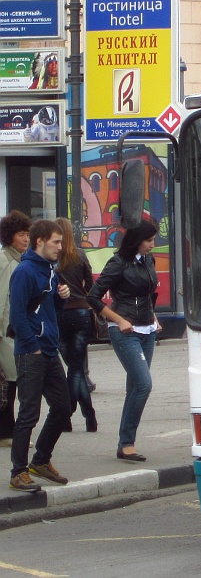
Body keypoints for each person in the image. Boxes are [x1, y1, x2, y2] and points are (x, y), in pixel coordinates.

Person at [87, 220, 161, 462]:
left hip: (147, 329)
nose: (153, 245)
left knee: (135, 387)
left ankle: (125, 443)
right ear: (136, 241)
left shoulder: (149, 260)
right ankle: (126, 443)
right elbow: (93, 297)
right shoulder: (118, 263)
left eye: (154, 240)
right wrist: (118, 320)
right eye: (149, 241)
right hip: (125, 330)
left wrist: (154, 317)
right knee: (143, 384)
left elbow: (149, 295)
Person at [8, 219, 72, 492]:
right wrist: (31, 344)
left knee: (63, 408)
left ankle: (41, 460)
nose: (60, 247)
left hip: (49, 349)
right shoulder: (24, 271)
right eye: (56, 242)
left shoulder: (50, 270)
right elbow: (18, 314)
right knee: (29, 413)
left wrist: (62, 297)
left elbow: (50, 310)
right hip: (32, 351)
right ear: (40, 242)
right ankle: (18, 471)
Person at [55, 218, 97, 433]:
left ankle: (67, 414)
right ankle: (87, 415)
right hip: (81, 312)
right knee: (77, 368)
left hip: (59, 315)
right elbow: (91, 285)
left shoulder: (53, 259)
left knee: (73, 367)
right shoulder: (80, 255)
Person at [0, 210, 32, 448]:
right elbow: (2, 300)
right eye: (22, 234)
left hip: (13, 331)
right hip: (5, 333)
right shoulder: (5, 261)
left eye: (28, 234)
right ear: (10, 236)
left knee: (12, 383)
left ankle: (8, 431)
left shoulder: (19, 260)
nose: (26, 239)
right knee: (9, 383)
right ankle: (6, 433)